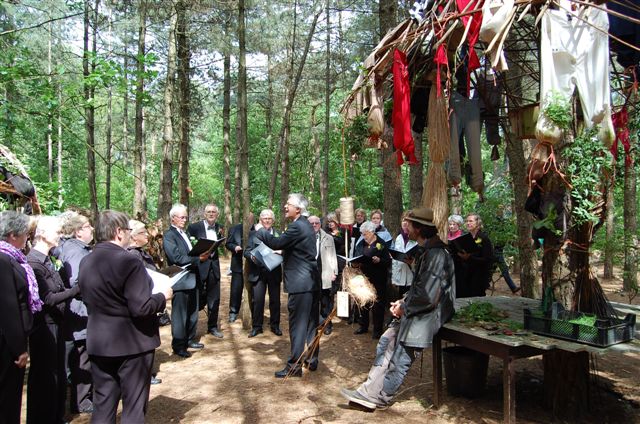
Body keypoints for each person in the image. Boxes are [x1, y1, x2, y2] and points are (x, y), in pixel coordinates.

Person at [341, 207, 456, 410]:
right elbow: (421, 288)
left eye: (409, 224)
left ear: (418, 228)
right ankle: (367, 392)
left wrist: (405, 306)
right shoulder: (428, 251)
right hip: (415, 310)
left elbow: (430, 296)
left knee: (400, 358)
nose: (406, 227)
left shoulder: (437, 254)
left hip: (425, 317)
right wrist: (402, 301)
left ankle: (380, 398)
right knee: (385, 343)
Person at [79, 210, 171, 423]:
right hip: (132, 344)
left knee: (103, 407)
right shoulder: (129, 261)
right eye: (129, 230)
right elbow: (141, 307)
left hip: (99, 343)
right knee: (133, 407)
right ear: (119, 232)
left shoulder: (87, 261)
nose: (130, 235)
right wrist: (162, 296)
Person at [256, 193, 320, 377]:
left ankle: (294, 366)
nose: (285, 206)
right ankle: (311, 360)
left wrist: (260, 230)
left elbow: (276, 242)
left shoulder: (297, 226)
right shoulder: (305, 224)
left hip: (301, 284)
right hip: (309, 281)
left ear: (298, 209)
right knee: (310, 324)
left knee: (298, 325)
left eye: (288, 204)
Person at [26, 216, 80, 424]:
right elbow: (47, 298)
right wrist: (77, 289)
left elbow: (59, 288)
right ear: (43, 234)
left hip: (57, 324)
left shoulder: (48, 259)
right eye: (57, 232)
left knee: (57, 373)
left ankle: (56, 416)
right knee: (45, 376)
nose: (60, 235)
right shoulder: (34, 263)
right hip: (44, 327)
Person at [0, 211, 38, 424]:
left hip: (10, 342)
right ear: (13, 234)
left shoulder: (12, 258)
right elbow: (8, 308)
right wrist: (19, 349)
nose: (27, 238)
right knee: (7, 399)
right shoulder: (3, 260)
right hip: (7, 345)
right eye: (25, 234)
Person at [56, 212, 94, 414]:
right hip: (79, 313)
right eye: (88, 226)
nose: (92, 230)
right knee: (82, 358)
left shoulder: (74, 248)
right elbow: (77, 282)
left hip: (77, 312)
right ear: (79, 231)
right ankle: (82, 401)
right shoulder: (75, 251)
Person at [163, 204, 207, 357]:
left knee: (192, 311)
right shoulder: (169, 235)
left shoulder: (185, 233)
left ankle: (189, 339)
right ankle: (179, 345)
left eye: (185, 217)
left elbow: (188, 253)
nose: (185, 219)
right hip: (180, 278)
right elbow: (176, 258)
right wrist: (198, 258)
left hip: (193, 277)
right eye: (182, 217)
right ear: (173, 218)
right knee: (180, 314)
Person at [128, 219, 165, 385]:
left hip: (150, 299)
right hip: (142, 302)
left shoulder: (141, 252)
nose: (148, 236)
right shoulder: (132, 255)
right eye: (143, 232)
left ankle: (146, 373)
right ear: (134, 237)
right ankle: (142, 375)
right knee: (140, 341)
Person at [187, 204, 224, 337]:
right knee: (195, 299)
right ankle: (191, 331)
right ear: (204, 214)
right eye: (208, 212)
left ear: (217, 214)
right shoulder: (194, 227)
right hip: (198, 267)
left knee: (215, 298)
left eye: (214, 212)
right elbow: (189, 248)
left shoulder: (219, 227)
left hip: (214, 267)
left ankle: (212, 327)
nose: (211, 214)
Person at [244, 209, 282, 337]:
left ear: (273, 220)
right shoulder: (253, 234)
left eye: (269, 218)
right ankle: (257, 327)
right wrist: (252, 257)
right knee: (258, 301)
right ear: (260, 220)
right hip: (258, 272)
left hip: (274, 271)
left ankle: (275, 325)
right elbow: (247, 251)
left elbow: (284, 249)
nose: (267, 220)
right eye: (264, 218)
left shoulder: (279, 234)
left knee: (275, 301)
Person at [353, 220, 392, 339]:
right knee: (363, 302)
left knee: (377, 305)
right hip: (364, 277)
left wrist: (379, 261)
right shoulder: (362, 243)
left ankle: (377, 330)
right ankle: (363, 326)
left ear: (372, 232)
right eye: (362, 234)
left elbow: (388, 261)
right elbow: (357, 256)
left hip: (378, 278)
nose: (363, 236)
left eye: (365, 234)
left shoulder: (381, 243)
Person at [308, 215, 338, 337]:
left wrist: (334, 272)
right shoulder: (304, 237)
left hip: (325, 273)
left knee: (326, 301)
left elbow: (333, 255)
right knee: (312, 301)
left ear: (320, 224)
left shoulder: (328, 238)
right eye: (312, 223)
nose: (314, 225)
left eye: (317, 223)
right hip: (310, 274)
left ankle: (327, 325)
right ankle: (314, 324)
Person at [456, 213, 494, 297]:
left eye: (471, 221)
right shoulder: (465, 237)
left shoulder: (483, 238)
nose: (468, 223)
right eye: (467, 221)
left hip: (479, 276)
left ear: (477, 223)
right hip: (466, 275)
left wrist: (469, 257)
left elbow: (488, 259)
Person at [225, 213, 253, 324]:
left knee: (253, 291)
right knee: (236, 290)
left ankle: (253, 312)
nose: (249, 220)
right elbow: (228, 243)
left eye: (251, 218)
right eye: (247, 218)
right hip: (237, 264)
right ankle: (233, 312)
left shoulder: (256, 229)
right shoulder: (235, 229)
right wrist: (235, 247)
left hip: (252, 266)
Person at [324, 212, 346, 335]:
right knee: (329, 294)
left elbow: (343, 246)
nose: (330, 223)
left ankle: (345, 315)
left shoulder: (343, 233)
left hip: (340, 264)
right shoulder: (325, 233)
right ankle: (328, 322)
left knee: (340, 292)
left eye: (332, 221)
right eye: (329, 222)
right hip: (328, 266)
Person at [391, 215, 418, 299]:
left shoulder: (415, 238)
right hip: (401, 275)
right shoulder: (399, 237)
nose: (405, 223)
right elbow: (395, 260)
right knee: (401, 299)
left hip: (412, 275)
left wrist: (412, 262)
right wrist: (394, 278)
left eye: (408, 221)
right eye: (403, 221)